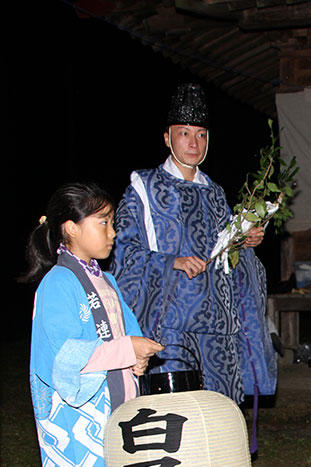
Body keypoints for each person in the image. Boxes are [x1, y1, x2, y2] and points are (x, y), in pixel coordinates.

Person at [111, 83, 277, 405]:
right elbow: (123, 250)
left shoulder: (214, 192)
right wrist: (169, 261)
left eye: (201, 134)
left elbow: (224, 252)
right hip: (171, 323)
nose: (194, 143)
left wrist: (244, 241)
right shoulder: (144, 187)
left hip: (219, 323)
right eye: (184, 133)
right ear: (167, 137)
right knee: (178, 416)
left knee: (220, 413)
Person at [23, 183, 164, 465]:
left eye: (112, 223)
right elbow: (66, 357)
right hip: (79, 422)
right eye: (103, 223)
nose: (112, 233)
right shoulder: (57, 283)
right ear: (72, 227)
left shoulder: (107, 281)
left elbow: (128, 331)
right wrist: (127, 349)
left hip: (117, 411)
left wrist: (137, 358)